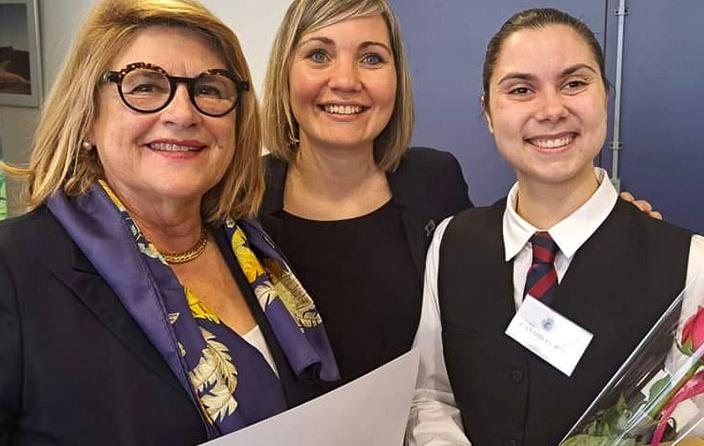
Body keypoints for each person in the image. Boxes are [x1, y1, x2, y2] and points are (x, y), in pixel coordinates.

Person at [259, 0, 661, 400]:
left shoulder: (434, 181)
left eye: (371, 57)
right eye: (318, 55)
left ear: (397, 77)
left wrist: (608, 233)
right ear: (284, 72)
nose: (345, 79)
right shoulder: (241, 201)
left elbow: (497, 305)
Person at [406, 8, 704, 446]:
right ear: (489, 112)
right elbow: (431, 396)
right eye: (521, 89)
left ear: (604, 96)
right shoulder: (452, 241)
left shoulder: (694, 264)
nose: (551, 109)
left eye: (574, 83)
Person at [0, 0, 337, 444]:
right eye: (143, 86)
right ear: (86, 120)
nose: (183, 114)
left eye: (211, 89)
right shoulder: (13, 269)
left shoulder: (260, 251)